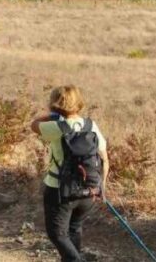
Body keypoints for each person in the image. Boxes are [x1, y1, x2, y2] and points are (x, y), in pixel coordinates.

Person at [30, 86, 109, 262]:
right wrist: (100, 186)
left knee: (57, 234)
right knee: (74, 229)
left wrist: (51, 115)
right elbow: (104, 159)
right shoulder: (91, 125)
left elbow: (33, 125)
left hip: (59, 191)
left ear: (55, 104)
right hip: (89, 191)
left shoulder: (57, 127)